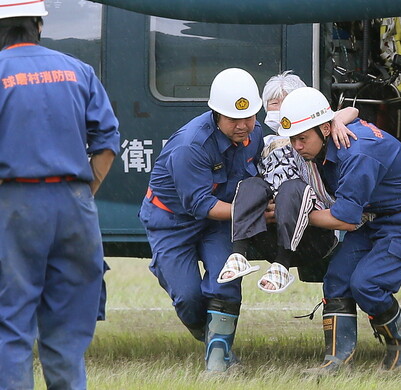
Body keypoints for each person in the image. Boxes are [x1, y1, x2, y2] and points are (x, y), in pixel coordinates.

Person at [278, 86, 401, 373]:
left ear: (325, 130)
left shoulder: (358, 154)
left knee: (367, 284)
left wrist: (297, 215)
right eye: (293, 139)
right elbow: (348, 112)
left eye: (302, 138)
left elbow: (346, 220)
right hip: (377, 215)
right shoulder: (329, 133)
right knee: (337, 278)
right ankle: (336, 360)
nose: (297, 146)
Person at [0, 0, 120, 388]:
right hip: (74, 206)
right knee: (67, 335)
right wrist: (84, 192)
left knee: (10, 326)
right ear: (38, 24)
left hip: (14, 207)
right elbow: (106, 143)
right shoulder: (78, 70)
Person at [138, 67, 264, 373]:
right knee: (188, 297)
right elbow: (201, 204)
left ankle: (219, 363)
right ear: (216, 114)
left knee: (226, 281)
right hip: (172, 221)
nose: (244, 126)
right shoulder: (191, 145)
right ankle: (206, 331)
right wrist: (251, 209)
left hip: (218, 222)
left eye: (249, 117)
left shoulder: (254, 132)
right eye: (235, 119)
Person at [217, 71, 358, 293]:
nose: (280, 109)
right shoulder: (261, 141)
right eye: (274, 103)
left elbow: (352, 110)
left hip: (310, 231)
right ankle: (238, 254)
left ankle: (282, 266)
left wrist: (336, 121)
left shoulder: (311, 138)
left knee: (291, 189)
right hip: (270, 230)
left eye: (287, 102)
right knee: (251, 184)